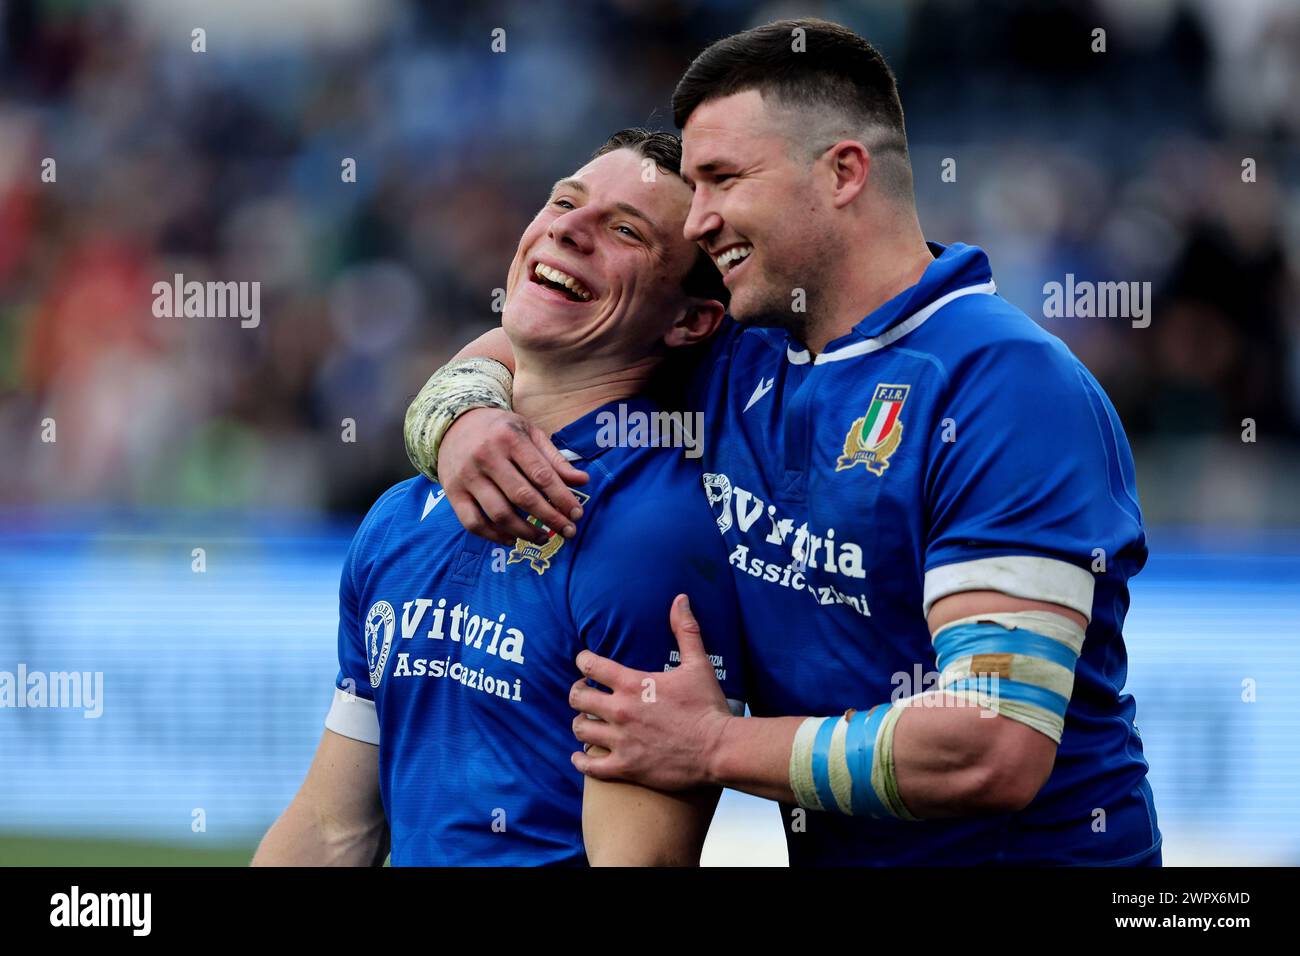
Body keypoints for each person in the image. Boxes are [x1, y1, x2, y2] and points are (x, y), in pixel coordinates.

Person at [403, 19, 1162, 866]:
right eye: (693, 189)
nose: (699, 220)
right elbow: (536, 338)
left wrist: (715, 746)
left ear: (843, 172)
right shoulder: (742, 345)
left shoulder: (1008, 388)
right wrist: (463, 417)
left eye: (723, 180)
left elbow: (992, 743)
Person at [253, 129, 745, 867]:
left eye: (624, 231)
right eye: (564, 201)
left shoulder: (654, 537)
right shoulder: (400, 516)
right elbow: (334, 827)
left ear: (690, 320)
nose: (567, 228)